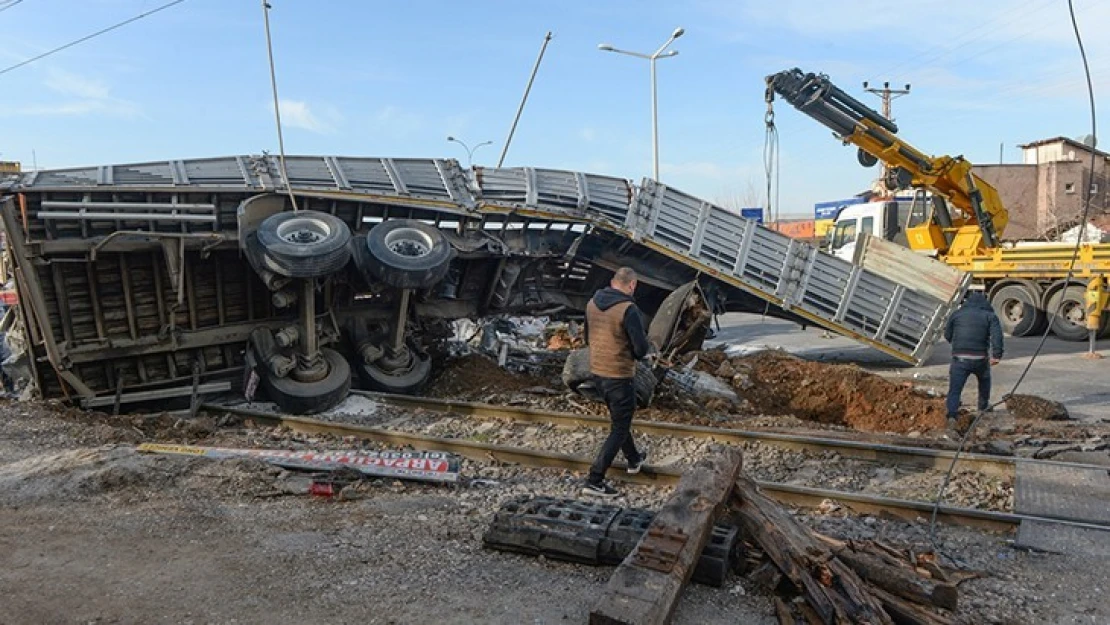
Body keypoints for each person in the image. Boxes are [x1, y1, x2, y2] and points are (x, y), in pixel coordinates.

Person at [581, 267, 653, 498]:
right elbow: (641, 349)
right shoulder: (628, 309)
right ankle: (595, 479)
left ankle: (633, 459)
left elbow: (586, 337)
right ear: (632, 285)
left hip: (597, 373)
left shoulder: (592, 303)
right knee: (619, 427)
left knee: (619, 420)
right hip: (619, 375)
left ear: (613, 282)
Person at [943, 291, 1003, 430]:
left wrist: (957, 344)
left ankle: (952, 415)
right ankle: (982, 406)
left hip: (960, 359)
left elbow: (947, 335)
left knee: (955, 390)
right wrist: (996, 355)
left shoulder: (957, 314)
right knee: (984, 380)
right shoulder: (990, 316)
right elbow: (997, 337)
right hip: (980, 359)